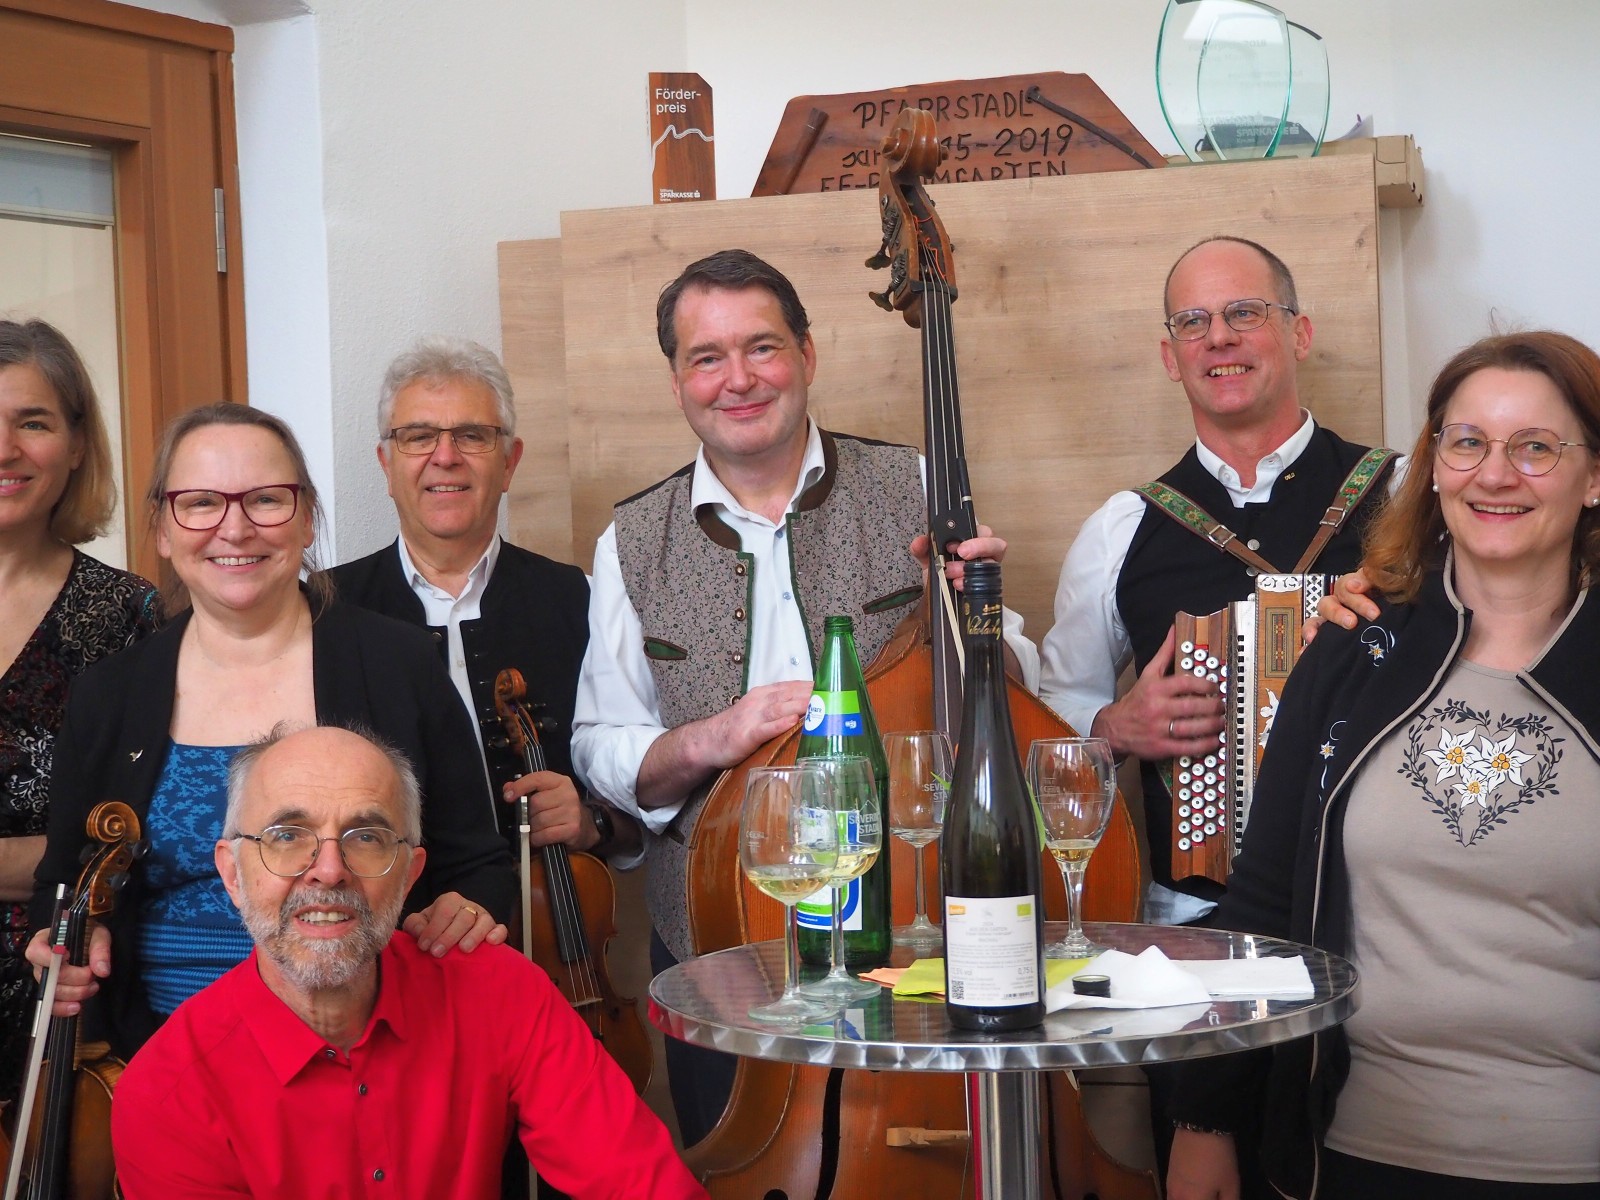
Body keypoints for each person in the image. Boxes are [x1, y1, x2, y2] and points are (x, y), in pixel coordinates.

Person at [571, 247, 1037, 1144]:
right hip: (716, 933)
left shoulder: (917, 486)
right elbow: (600, 744)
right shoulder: (629, 539)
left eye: (762, 348)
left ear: (808, 355)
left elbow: (1020, 690)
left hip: (914, 919)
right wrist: (708, 739)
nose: (738, 380)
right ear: (677, 382)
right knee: (736, 1160)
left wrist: (974, 614)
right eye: (707, 358)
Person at [1167, 330, 1600, 1200]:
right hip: (1356, 1150)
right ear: (1435, 467)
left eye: (1535, 448)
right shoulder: (1352, 649)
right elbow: (1264, 903)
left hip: (1572, 1158)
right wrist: (1203, 1121)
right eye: (1467, 442)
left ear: (1594, 477)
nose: (1495, 475)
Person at [1036, 236, 1396, 1185]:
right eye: (1193, 322)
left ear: (1299, 332)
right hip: (1195, 934)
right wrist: (1113, 731)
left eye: (1245, 313)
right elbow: (1052, 720)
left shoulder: (1404, 502)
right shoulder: (1122, 529)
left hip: (1379, 915)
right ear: (1170, 355)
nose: (1219, 338)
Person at [26, 403, 513, 1058]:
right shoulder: (109, 694)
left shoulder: (400, 665)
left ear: (306, 518)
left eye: (265, 499)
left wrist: (468, 907)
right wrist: (68, 940)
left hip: (368, 1050)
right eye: (201, 503)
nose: (235, 528)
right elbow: (61, 884)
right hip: (164, 1055)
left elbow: (478, 865)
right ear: (163, 529)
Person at [111, 723, 706, 1199]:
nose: (328, 871)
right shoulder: (166, 1094)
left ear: (410, 874)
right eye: (287, 835)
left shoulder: (497, 990)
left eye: (366, 837)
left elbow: (641, 1183)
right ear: (231, 873)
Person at [327, 335, 636, 861]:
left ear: (510, 463)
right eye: (418, 437)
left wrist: (595, 822)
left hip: (544, 910)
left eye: (472, 436)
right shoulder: (326, 612)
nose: (445, 457)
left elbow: (646, 807)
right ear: (386, 464)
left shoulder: (579, 599)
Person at [0, 319, 158, 1098]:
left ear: (76, 445)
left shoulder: (129, 614)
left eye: (32, 422)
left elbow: (136, 834)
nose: (5, 450)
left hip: (62, 994)